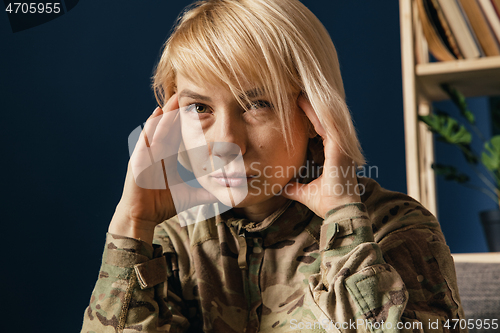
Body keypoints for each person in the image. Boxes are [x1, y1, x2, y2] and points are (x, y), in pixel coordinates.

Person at [81, 0, 466, 332]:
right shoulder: (171, 240)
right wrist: (132, 224)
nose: (226, 143)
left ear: (316, 115)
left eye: (257, 105)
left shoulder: (394, 229)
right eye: (199, 108)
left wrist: (344, 225)